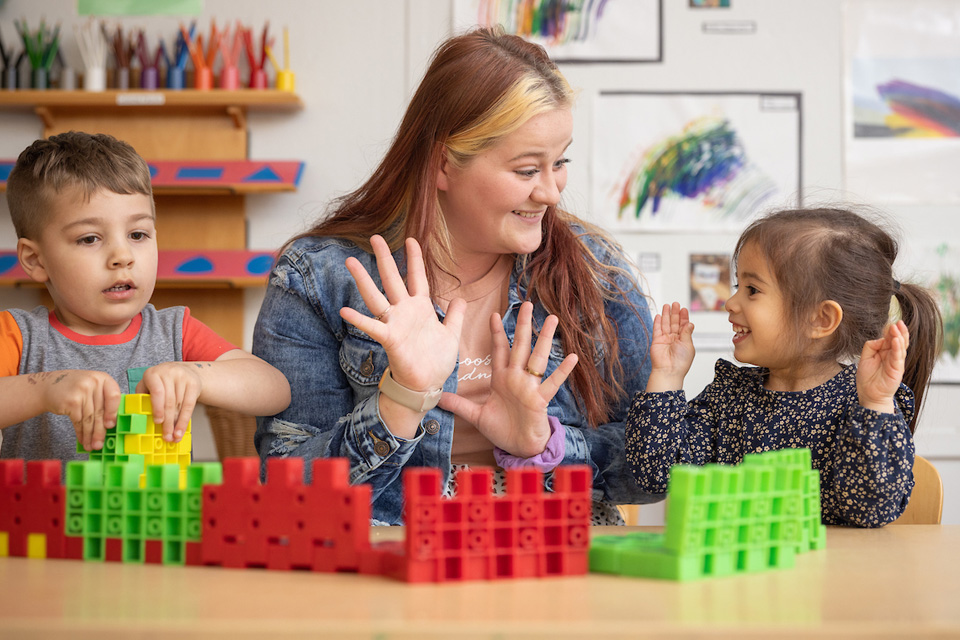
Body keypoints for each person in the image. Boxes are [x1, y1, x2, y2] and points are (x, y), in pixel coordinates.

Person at [252, 27, 656, 525]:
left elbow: (655, 467)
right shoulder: (320, 277)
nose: (551, 192)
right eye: (528, 170)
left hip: (553, 557)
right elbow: (285, 484)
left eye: (560, 162)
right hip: (394, 562)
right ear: (443, 164)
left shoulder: (596, 274)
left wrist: (546, 447)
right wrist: (399, 401)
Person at [625, 207, 943, 527]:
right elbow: (656, 475)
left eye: (752, 290)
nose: (730, 302)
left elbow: (871, 509)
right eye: (737, 285)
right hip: (737, 574)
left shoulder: (864, 403)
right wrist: (666, 376)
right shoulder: (729, 395)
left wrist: (875, 405)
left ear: (820, 319)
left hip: (836, 574)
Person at [0, 131, 291, 461]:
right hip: (43, 514)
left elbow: (275, 388)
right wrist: (45, 389)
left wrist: (197, 375)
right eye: (90, 239)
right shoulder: (19, 336)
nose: (122, 256)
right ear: (35, 260)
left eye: (137, 234)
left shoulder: (173, 331)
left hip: (160, 513)